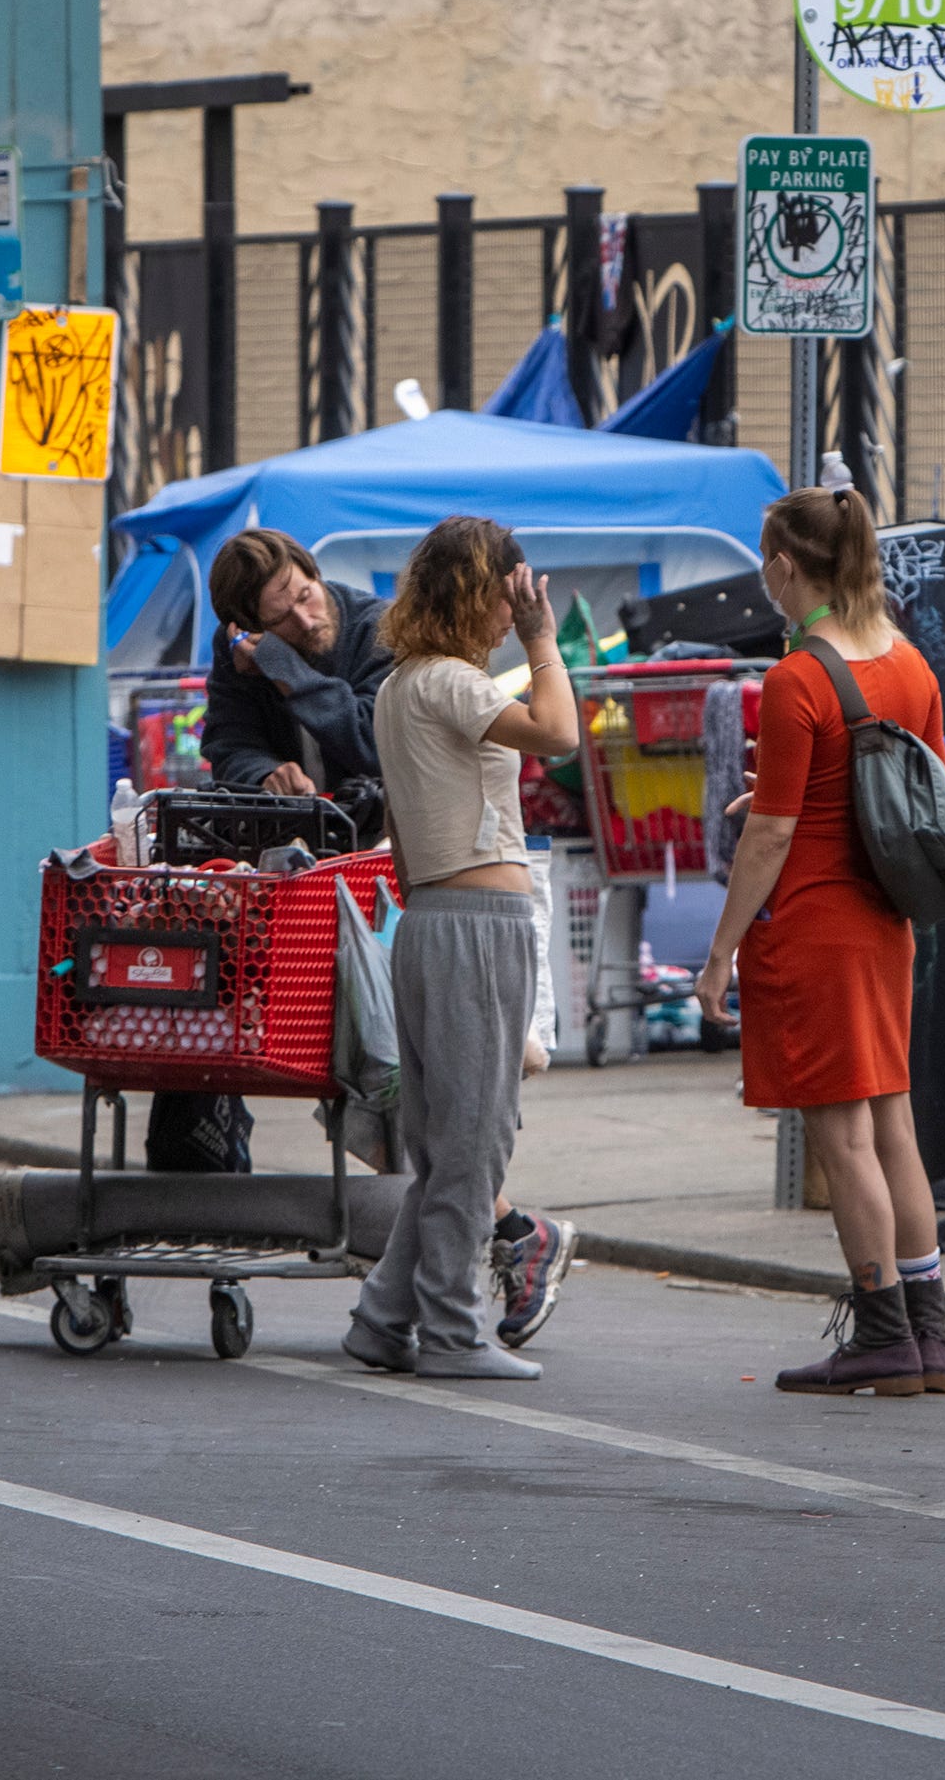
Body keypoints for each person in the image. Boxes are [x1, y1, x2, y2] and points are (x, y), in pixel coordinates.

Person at [692, 489, 945, 1398]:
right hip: (886, 923)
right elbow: (914, 795)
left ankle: (881, 1327)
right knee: (894, 1124)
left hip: (814, 925)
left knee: (841, 1138)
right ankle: (933, 1334)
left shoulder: (797, 678)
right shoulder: (912, 665)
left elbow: (770, 839)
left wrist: (720, 950)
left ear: (784, 566)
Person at [348, 517, 583, 1381]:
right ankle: (451, 1329)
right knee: (478, 1143)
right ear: (472, 593)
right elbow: (559, 734)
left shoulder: (399, 686)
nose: (509, 609)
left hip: (429, 923)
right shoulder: (451, 682)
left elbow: (404, 843)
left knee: (448, 1145)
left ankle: (383, 1316)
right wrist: (543, 641)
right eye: (502, 592)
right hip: (479, 927)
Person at [199, 529, 392, 809]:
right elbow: (229, 745)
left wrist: (286, 670)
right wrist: (263, 775)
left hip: (378, 831)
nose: (306, 622)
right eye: (280, 619)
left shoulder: (377, 627)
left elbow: (375, 747)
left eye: (305, 597)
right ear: (250, 631)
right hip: (290, 831)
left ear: (315, 574)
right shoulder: (238, 649)